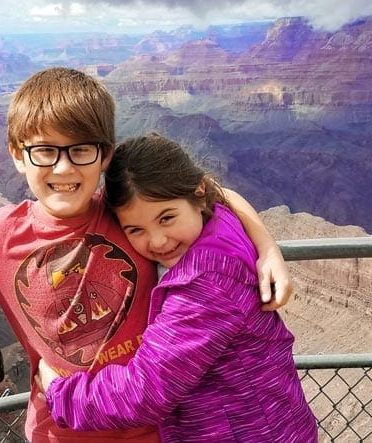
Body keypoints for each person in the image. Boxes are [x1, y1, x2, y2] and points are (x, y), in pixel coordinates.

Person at [0, 67, 293, 442]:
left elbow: (206, 192)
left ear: (104, 155)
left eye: (80, 150)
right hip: (60, 432)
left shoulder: (128, 213)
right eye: (45, 151)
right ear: (16, 154)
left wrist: (267, 247)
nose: (64, 169)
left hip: (157, 431)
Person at [37, 133, 317, 442]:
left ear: (197, 194)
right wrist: (266, 244)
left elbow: (145, 391)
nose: (157, 241)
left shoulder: (204, 284)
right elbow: (221, 193)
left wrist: (60, 393)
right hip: (278, 424)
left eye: (167, 218)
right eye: (135, 230)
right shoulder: (217, 221)